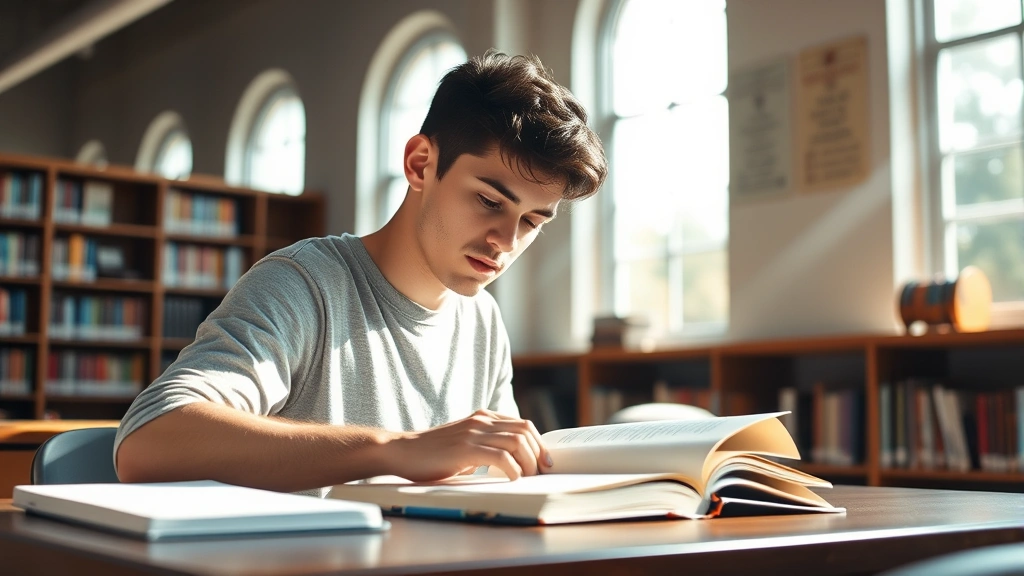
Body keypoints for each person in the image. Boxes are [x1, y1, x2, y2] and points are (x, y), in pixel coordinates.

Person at [114, 49, 607, 496]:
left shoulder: (482, 319)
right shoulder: (303, 284)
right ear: (420, 164)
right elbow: (148, 440)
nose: (506, 240)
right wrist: (394, 449)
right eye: (487, 201)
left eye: (531, 221)